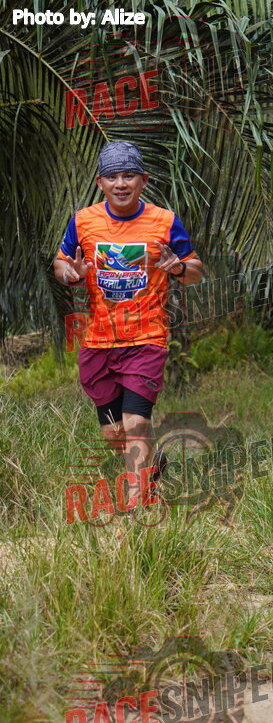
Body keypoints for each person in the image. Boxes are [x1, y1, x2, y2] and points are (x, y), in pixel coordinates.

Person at [54, 141, 203, 507]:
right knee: (114, 433)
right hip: (98, 342)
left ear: (143, 180)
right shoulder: (82, 221)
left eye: (129, 175)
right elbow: (61, 263)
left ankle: (137, 507)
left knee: (136, 423)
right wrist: (71, 273)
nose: (120, 183)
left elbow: (196, 271)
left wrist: (178, 268)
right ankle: (153, 464)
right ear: (100, 183)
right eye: (112, 177)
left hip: (146, 339)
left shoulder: (164, 221)